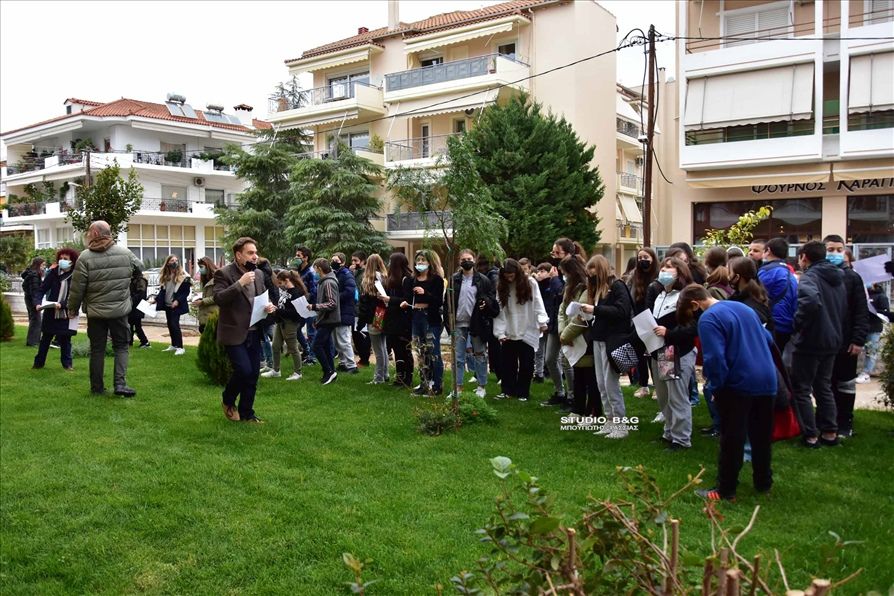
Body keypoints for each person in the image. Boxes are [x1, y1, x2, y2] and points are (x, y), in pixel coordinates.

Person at [679, 285, 777, 502]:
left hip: (738, 382)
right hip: (767, 379)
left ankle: (725, 490)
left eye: (691, 313)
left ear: (695, 304)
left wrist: (716, 386)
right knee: (761, 437)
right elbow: (768, 339)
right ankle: (763, 484)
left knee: (732, 437)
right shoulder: (744, 308)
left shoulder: (709, 318)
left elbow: (715, 358)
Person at [66, 220, 142, 397]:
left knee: (97, 349)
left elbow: (77, 288)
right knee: (121, 346)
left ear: (94, 234)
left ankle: (97, 387)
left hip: (96, 313)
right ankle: (120, 384)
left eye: (88, 232)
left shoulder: (85, 257)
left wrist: (72, 309)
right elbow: (140, 268)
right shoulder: (125, 253)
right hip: (119, 310)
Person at [213, 237, 277, 421]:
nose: (255, 256)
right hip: (234, 332)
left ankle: (247, 414)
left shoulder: (258, 274)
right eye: (250, 253)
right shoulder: (224, 273)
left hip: (255, 331)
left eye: (256, 252)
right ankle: (228, 399)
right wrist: (239, 283)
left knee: (253, 375)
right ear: (238, 255)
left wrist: (268, 306)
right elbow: (219, 298)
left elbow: (261, 297)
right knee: (243, 370)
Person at [790, 241, 847, 447]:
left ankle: (810, 435)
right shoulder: (838, 278)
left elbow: (810, 302)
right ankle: (830, 432)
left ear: (804, 257)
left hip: (811, 340)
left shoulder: (810, 277)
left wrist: (797, 324)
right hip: (832, 339)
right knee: (823, 386)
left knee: (802, 388)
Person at [647, 256, 698, 451]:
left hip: (677, 351)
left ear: (680, 272)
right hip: (662, 351)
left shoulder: (685, 296)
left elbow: (692, 328)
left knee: (677, 397)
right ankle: (669, 433)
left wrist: (669, 333)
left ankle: (681, 439)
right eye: (662, 267)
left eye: (669, 267)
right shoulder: (660, 294)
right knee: (664, 397)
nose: (664, 270)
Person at [579, 255, 633, 439]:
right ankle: (609, 421)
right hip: (599, 339)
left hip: (612, 340)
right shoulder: (598, 289)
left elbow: (622, 311)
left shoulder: (617, 286)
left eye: (592, 270)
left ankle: (620, 424)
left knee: (611, 385)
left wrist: (595, 310)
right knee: (601, 384)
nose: (590, 274)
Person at [824, 235, 870, 438]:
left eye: (839, 249)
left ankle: (845, 423)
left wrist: (858, 339)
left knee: (845, 384)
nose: (835, 253)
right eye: (830, 249)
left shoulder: (852, 277)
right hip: (824, 341)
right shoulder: (818, 275)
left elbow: (861, 311)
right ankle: (827, 421)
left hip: (846, 341)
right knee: (826, 384)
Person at [493, 258, 548, 402]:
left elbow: (538, 303)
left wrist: (542, 321)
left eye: (512, 275)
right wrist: (499, 332)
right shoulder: (502, 286)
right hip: (509, 329)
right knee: (507, 363)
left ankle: (523, 392)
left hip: (527, 328)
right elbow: (499, 310)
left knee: (526, 364)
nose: (509, 279)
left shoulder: (530, 283)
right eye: (507, 276)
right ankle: (507, 390)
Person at [449, 249, 498, 398]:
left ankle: (481, 386)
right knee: (458, 357)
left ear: (474, 260)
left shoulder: (483, 280)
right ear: (459, 261)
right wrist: (448, 321)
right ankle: (457, 387)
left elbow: (491, 298)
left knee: (480, 354)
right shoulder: (454, 280)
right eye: (463, 259)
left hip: (477, 322)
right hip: (458, 323)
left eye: (469, 259)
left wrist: (485, 303)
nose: (466, 262)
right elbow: (447, 301)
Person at [558, 256, 600, 415]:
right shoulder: (569, 288)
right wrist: (562, 333)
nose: (564, 276)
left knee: (589, 378)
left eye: (565, 272)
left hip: (584, 338)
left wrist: (566, 336)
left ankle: (593, 411)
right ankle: (578, 409)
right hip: (570, 337)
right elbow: (562, 311)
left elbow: (581, 317)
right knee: (578, 377)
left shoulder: (586, 289)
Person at [401, 249, 445, 395]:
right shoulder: (411, 280)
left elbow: (438, 301)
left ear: (430, 262)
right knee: (420, 352)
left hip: (430, 318)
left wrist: (425, 293)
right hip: (416, 316)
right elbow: (408, 298)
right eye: (418, 260)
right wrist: (405, 303)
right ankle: (424, 383)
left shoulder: (436, 280)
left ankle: (437, 385)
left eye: (423, 260)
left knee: (433, 352)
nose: (420, 263)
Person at [33, 248, 79, 370]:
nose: (62, 261)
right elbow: (42, 289)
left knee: (65, 340)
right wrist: (38, 303)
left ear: (72, 261)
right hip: (51, 311)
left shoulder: (76, 276)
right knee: (45, 338)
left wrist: (62, 304)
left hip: (67, 312)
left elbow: (76, 296)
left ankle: (67, 365)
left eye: (65, 259)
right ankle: (38, 364)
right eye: (60, 258)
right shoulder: (53, 273)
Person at [536, 262, 572, 405]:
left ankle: (572, 395)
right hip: (553, 323)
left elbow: (562, 295)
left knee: (566, 361)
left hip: (566, 324)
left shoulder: (565, 280)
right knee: (550, 359)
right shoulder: (550, 282)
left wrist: (555, 279)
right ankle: (560, 391)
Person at [262, 270, 307, 381]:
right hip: (280, 321)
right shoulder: (286, 291)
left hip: (290, 323)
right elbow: (283, 305)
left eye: (280, 283)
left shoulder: (296, 293)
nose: (279, 285)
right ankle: (276, 370)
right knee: (275, 345)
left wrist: (277, 311)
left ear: (287, 280)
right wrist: (275, 308)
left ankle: (298, 372)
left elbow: (295, 312)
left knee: (293, 347)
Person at [757, 238, 798, 352]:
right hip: (788, 324)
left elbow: (757, 295)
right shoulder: (790, 273)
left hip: (773, 324)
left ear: (768, 251)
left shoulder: (767, 271)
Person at [629, 248, 659, 399]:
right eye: (640, 258)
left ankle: (658, 386)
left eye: (645, 257)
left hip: (654, 318)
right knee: (640, 353)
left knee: (655, 353)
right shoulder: (635, 276)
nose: (642, 260)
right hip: (639, 318)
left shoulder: (658, 276)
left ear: (653, 258)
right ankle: (643, 385)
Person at [381, 252, 414, 388]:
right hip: (392, 318)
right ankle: (400, 376)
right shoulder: (392, 279)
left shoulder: (407, 279)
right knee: (396, 349)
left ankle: (408, 377)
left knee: (404, 349)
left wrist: (390, 299)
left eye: (390, 261)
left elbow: (407, 299)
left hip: (403, 319)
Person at [307, 258, 341, 385]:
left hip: (329, 319)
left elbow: (332, 303)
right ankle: (331, 371)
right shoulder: (324, 282)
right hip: (325, 319)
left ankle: (328, 371)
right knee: (326, 347)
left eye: (315, 269)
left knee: (316, 346)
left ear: (319, 269)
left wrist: (315, 306)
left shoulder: (328, 282)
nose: (314, 272)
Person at [358, 254, 389, 384]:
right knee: (383, 346)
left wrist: (362, 320)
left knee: (378, 349)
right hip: (384, 314)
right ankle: (385, 373)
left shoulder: (368, 280)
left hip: (373, 316)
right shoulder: (386, 278)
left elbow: (365, 303)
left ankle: (379, 377)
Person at [154, 254, 191, 356]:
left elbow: (185, 292)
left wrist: (177, 301)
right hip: (168, 305)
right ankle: (174, 345)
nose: (174, 262)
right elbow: (163, 291)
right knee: (170, 325)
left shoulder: (183, 276)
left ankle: (180, 347)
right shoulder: (166, 276)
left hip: (176, 305)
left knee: (175, 325)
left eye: (176, 260)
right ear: (167, 263)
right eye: (172, 260)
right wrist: (156, 300)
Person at [330, 252, 359, 375]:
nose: (333, 262)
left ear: (342, 262)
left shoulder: (347, 274)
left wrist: (335, 297)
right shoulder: (336, 274)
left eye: (335, 260)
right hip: (338, 311)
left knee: (344, 339)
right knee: (337, 340)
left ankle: (352, 365)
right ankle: (343, 363)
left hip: (345, 311)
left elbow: (350, 291)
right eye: (332, 260)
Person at [858, 284, 890, 383]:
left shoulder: (881, 296)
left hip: (874, 328)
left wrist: (873, 311)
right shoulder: (863, 295)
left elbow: (885, 313)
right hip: (862, 327)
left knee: (871, 351)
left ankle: (866, 373)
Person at [533, 263, 559, 384]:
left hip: (551, 321)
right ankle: (539, 374)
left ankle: (556, 374)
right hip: (540, 321)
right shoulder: (536, 285)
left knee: (553, 351)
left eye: (542, 271)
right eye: (538, 271)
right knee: (539, 349)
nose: (539, 273)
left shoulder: (552, 285)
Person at [292, 246, 317, 365]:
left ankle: (312, 357)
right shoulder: (298, 270)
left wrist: (308, 301)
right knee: (297, 329)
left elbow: (314, 290)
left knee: (311, 331)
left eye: (299, 255)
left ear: (305, 258)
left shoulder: (311, 272)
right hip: (300, 304)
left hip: (310, 305)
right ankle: (307, 350)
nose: (296, 257)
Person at [351, 251, 372, 368]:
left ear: (363, 261)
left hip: (361, 309)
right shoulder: (354, 273)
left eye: (356, 260)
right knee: (355, 335)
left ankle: (364, 359)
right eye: (352, 260)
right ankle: (361, 358)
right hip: (354, 309)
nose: (353, 263)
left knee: (362, 335)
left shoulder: (365, 275)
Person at [22, 257, 46, 347]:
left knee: (33, 319)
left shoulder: (30, 274)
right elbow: (35, 290)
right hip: (32, 300)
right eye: (43, 265)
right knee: (36, 320)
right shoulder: (34, 275)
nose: (44, 267)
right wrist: (37, 303)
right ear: (38, 265)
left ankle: (33, 340)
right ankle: (33, 342)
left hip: (28, 298)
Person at [192, 257, 219, 335]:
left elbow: (218, 296)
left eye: (201, 267)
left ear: (208, 266)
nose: (200, 270)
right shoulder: (205, 279)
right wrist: (200, 300)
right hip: (205, 315)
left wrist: (203, 301)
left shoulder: (218, 278)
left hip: (213, 315)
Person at [128, 268, 150, 348]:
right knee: (131, 324)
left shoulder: (140, 281)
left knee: (137, 325)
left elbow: (141, 294)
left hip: (138, 306)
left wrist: (131, 300)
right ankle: (130, 341)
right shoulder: (135, 280)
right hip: (135, 306)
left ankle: (144, 342)